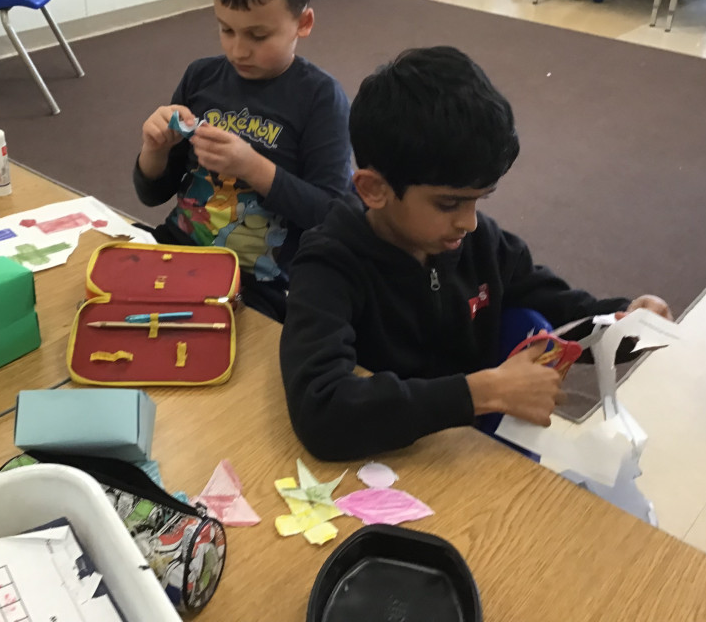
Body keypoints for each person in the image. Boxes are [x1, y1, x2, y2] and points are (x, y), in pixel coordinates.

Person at [279, 46, 672, 461]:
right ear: (374, 189)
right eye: (449, 204)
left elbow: (565, 315)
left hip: (468, 455)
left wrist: (629, 322)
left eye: (478, 199)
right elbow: (321, 411)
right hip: (379, 460)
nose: (468, 222)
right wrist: (482, 392)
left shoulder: (482, 245)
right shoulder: (328, 266)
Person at [133, 0, 352, 322]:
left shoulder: (320, 99)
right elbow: (154, 193)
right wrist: (155, 149)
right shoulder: (201, 77)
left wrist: (252, 167)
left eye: (258, 35)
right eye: (226, 29)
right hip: (177, 248)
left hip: (257, 283)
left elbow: (332, 215)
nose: (238, 50)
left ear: (303, 23)